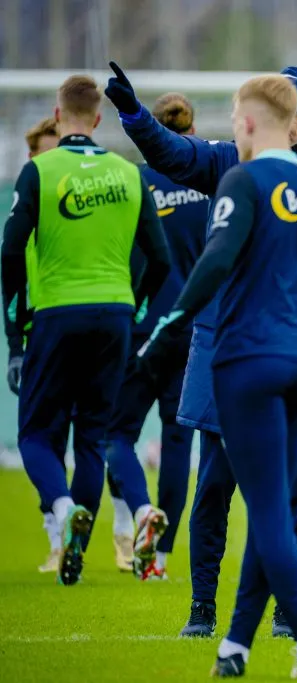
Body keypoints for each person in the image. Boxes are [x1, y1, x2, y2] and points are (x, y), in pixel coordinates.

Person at [105, 62, 297, 636]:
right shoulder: (231, 162)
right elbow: (174, 155)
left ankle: (290, 619)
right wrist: (135, 116)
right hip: (225, 346)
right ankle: (202, 611)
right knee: (214, 487)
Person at [139, 73, 297, 678]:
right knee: (272, 505)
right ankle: (235, 646)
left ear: (252, 123)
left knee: (267, 512)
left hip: (248, 364)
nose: (232, 130)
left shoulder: (243, 179)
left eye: (234, 120)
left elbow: (217, 259)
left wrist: (171, 318)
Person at [2, 74, 170, 586]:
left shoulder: (40, 171)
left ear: (58, 116)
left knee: (34, 432)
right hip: (115, 316)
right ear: (99, 119)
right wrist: (133, 306)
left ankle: (61, 506)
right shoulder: (127, 172)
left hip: (55, 313)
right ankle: (75, 553)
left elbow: (10, 251)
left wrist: (16, 333)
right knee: (93, 440)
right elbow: (159, 260)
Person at [104, 92, 208, 580]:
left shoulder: (136, 182)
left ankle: (141, 511)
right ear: (191, 128)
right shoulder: (211, 185)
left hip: (144, 327)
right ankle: (161, 559)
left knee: (116, 433)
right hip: (195, 331)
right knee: (176, 443)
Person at [17, 117, 72, 574]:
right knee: (52, 438)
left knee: (86, 438)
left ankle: (70, 521)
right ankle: (60, 536)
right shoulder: (31, 210)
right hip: (44, 334)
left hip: (62, 333)